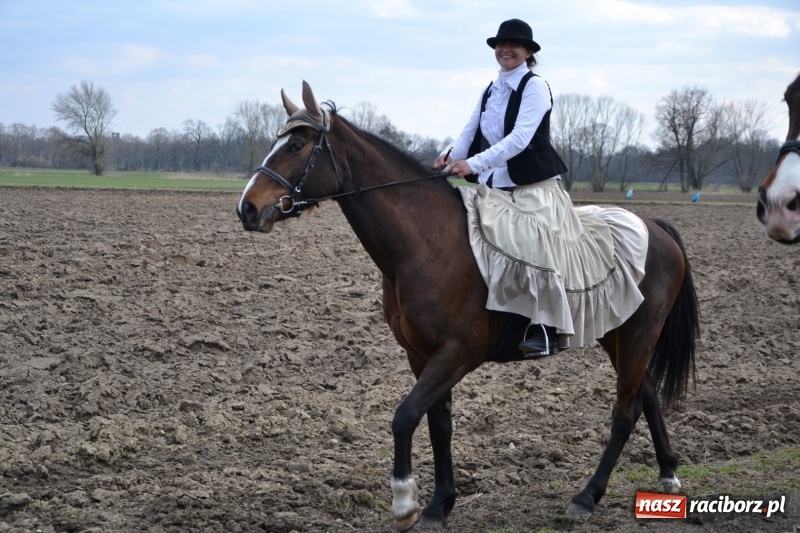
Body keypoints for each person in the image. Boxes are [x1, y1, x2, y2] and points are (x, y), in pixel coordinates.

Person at [434, 18, 573, 358]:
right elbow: (470, 130)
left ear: (527, 52)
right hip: (493, 187)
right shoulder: (491, 88)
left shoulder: (535, 87)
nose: (505, 49)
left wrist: (474, 164)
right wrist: (451, 154)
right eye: (500, 44)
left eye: (513, 45)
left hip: (533, 187)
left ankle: (545, 326)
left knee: (532, 244)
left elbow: (519, 139)